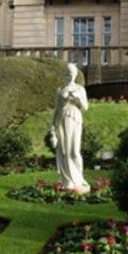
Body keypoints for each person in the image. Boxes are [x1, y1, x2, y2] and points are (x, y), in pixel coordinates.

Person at [49, 63, 90, 193]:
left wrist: (78, 98)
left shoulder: (79, 89)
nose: (69, 76)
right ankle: (68, 181)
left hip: (74, 118)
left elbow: (85, 107)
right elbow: (56, 110)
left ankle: (80, 178)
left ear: (75, 75)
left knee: (75, 151)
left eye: (71, 74)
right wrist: (52, 129)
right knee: (64, 151)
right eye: (67, 74)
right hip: (61, 119)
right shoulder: (60, 89)